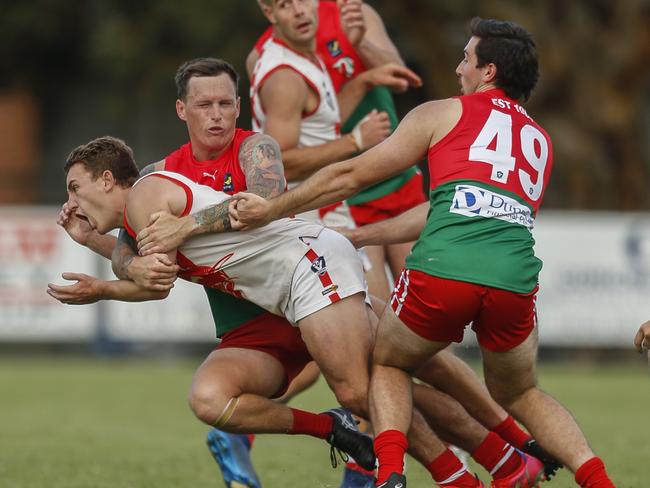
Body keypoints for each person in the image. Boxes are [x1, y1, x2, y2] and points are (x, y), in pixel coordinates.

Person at [228, 17, 617, 488]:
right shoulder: (540, 140)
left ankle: (391, 474)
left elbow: (349, 176)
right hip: (515, 279)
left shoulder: (442, 113)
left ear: (488, 71)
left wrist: (271, 210)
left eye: (466, 58)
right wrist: (366, 237)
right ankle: (598, 480)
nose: (458, 68)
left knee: (389, 361)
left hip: (444, 270)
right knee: (522, 391)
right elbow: (449, 207)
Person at [50, 135, 379, 478]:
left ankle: (424, 466)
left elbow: (155, 281)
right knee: (209, 398)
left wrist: (102, 288)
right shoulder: (149, 195)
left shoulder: (149, 193)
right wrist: (91, 241)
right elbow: (142, 268)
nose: (70, 201)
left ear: (105, 180)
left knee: (365, 390)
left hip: (309, 273)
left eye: (75, 188)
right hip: (270, 307)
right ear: (183, 109)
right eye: (204, 104)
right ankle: (337, 430)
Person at [247, 0, 427, 302]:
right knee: (372, 309)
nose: (299, 10)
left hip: (389, 176)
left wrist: (359, 47)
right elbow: (283, 158)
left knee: (421, 306)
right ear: (269, 11)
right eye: (284, 4)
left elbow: (401, 79)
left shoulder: (349, 12)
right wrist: (355, 141)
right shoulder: (272, 59)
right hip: (337, 189)